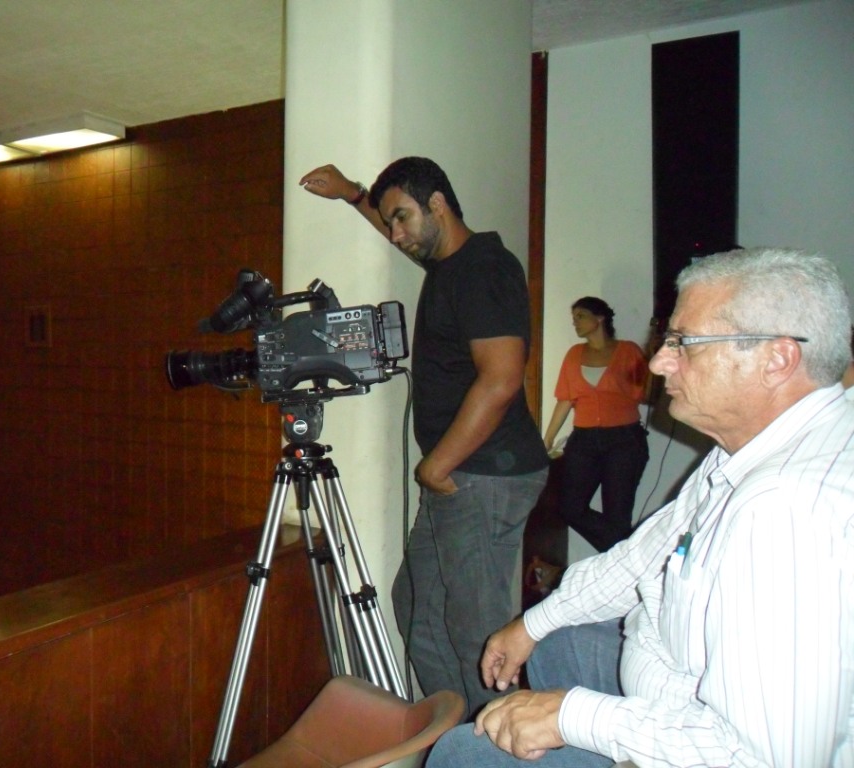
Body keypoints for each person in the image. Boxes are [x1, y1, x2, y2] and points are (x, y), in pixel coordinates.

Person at [426, 248, 854, 767]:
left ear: (777, 359)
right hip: (672, 682)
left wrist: (571, 716)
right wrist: (531, 624)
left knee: (463, 753)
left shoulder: (790, 511)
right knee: (558, 641)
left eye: (683, 343)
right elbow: (644, 557)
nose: (657, 362)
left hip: (706, 739)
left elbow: (765, 758)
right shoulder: (746, 449)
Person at [300, 158, 549, 717]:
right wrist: (351, 194)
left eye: (402, 218)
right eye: (391, 221)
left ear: (438, 204)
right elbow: (399, 228)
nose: (396, 235)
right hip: (463, 474)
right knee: (415, 605)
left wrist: (435, 467)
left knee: (477, 633)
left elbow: (502, 378)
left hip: (482, 475)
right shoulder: (449, 264)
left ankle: (504, 743)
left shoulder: (483, 269)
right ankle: (461, 731)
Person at [542, 297, 649, 552]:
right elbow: (565, 399)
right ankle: (631, 550)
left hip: (624, 440)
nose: (575, 322)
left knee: (618, 515)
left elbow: (645, 393)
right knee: (570, 508)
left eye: (580, 316)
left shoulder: (628, 351)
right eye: (573, 318)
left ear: (599, 318)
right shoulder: (574, 354)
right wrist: (547, 439)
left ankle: (622, 555)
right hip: (584, 441)